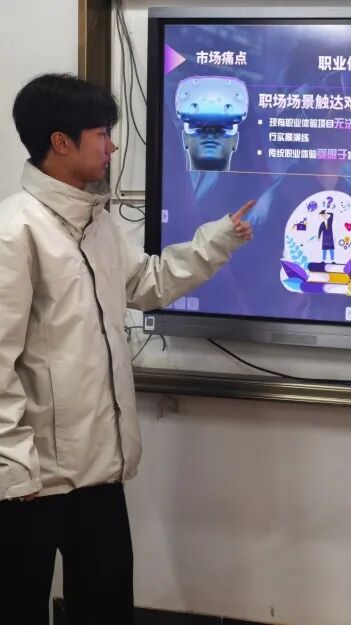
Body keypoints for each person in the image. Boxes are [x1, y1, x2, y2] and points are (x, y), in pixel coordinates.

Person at [0, 73, 255, 624]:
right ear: (60, 142)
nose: (112, 146)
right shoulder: (14, 231)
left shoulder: (98, 224)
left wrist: (218, 241)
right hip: (30, 481)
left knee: (107, 606)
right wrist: (13, 468)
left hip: (99, 470)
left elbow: (146, 283)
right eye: (101, 133)